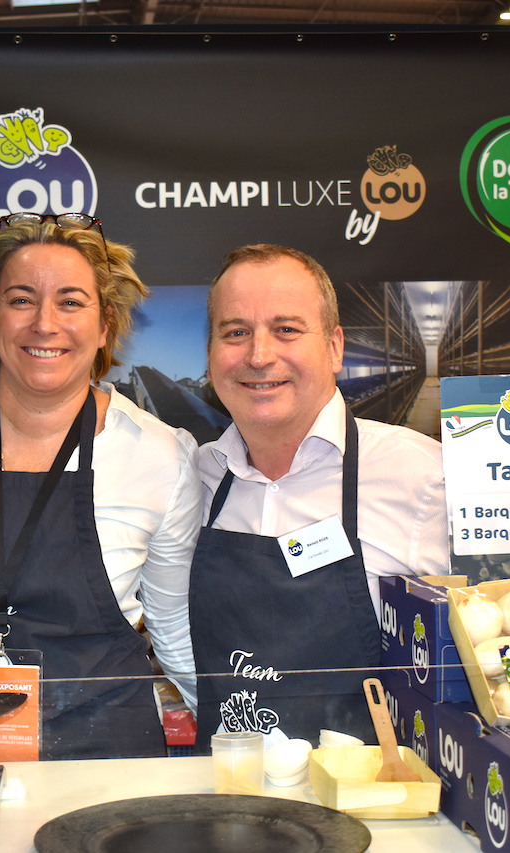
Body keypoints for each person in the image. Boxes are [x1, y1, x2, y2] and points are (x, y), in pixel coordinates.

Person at [0, 213, 201, 759]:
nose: (44, 323)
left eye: (71, 302)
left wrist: (244, 739)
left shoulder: (159, 455)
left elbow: (173, 626)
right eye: (21, 299)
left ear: (104, 327)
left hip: (98, 752)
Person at [189, 244, 448, 746]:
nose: (259, 356)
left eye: (286, 329)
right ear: (210, 354)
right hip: (225, 785)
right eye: (235, 332)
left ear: (334, 347)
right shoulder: (195, 479)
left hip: (372, 789)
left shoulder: (422, 479)